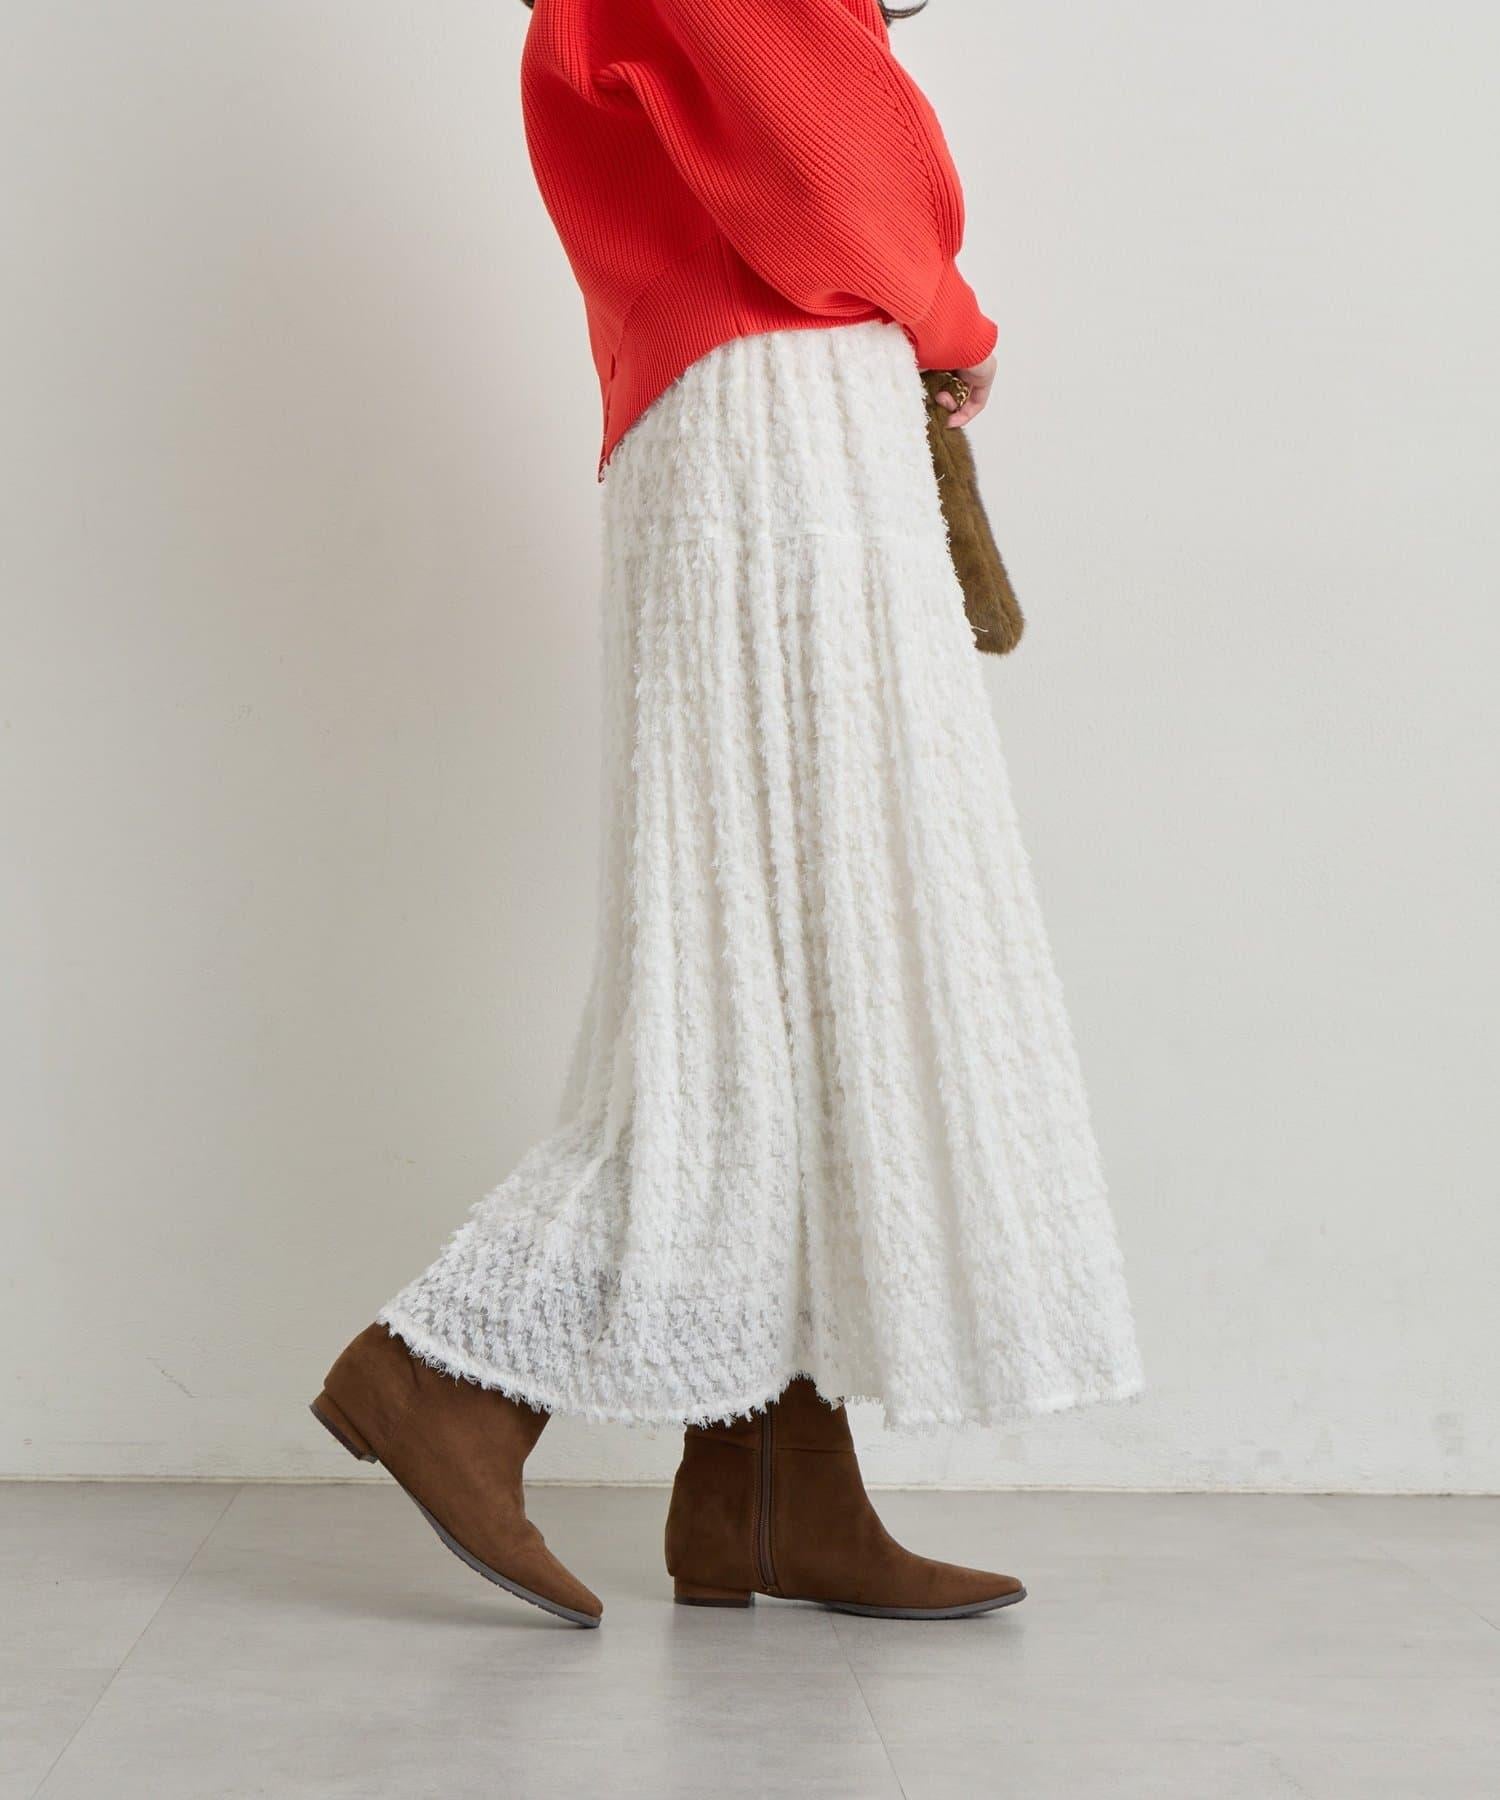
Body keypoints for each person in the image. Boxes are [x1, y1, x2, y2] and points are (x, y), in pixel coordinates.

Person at [311, 0, 1142, 1629]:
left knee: (800, 963)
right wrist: (950, 320)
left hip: (741, 410)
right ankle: (450, 1377)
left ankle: (769, 1487)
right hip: (779, 419)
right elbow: (822, 168)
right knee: (771, 971)